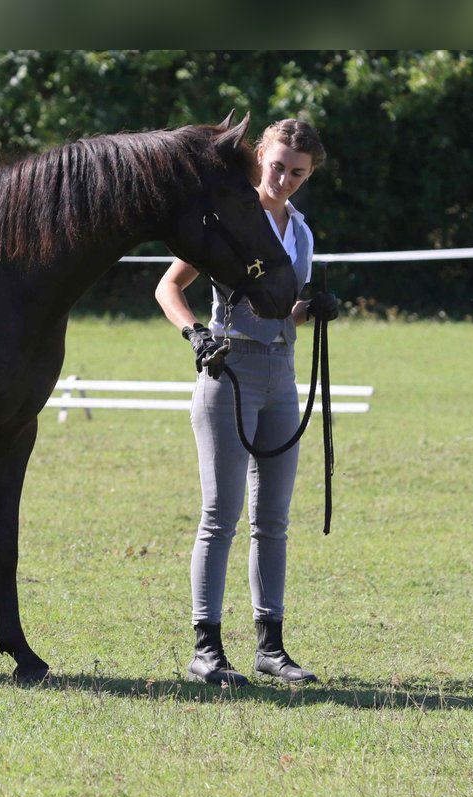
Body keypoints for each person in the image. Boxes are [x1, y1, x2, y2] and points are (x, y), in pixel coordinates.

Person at [154, 118, 338, 687]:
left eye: (297, 173)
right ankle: (206, 648)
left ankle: (270, 647)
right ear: (260, 156)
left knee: (274, 520)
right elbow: (169, 287)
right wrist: (195, 334)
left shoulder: (300, 233)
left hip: (281, 375)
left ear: (309, 176)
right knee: (220, 516)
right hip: (227, 371)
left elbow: (284, 310)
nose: (283, 179)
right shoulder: (230, 219)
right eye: (277, 165)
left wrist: (315, 310)